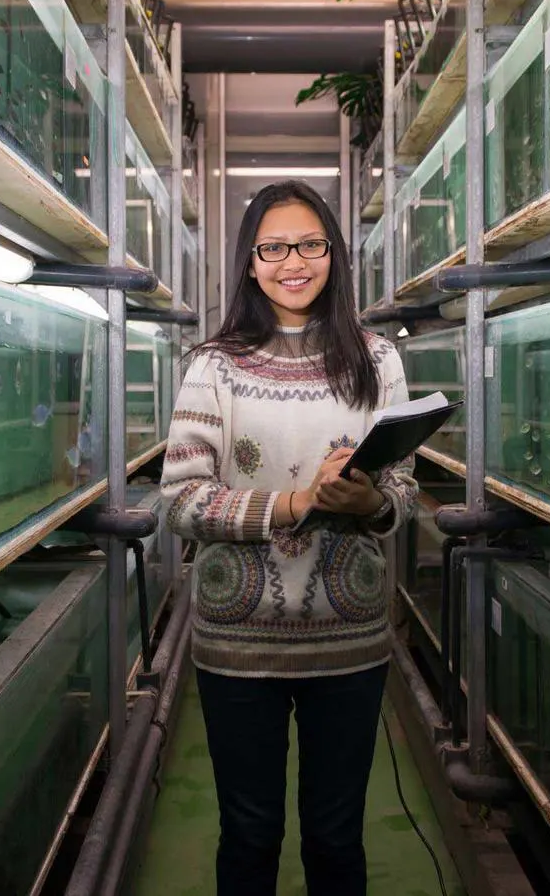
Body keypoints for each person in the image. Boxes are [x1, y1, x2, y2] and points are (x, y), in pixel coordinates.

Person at [160, 180, 419, 895]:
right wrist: (297, 502)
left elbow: (403, 493)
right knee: (249, 832)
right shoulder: (215, 365)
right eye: (273, 247)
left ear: (333, 254)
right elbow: (182, 499)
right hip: (238, 644)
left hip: (350, 638)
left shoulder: (377, 361)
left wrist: (370, 500)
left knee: (337, 835)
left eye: (310, 244)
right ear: (250, 261)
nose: (292, 261)